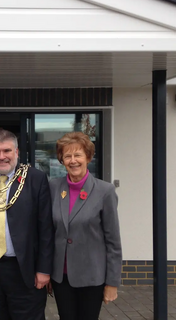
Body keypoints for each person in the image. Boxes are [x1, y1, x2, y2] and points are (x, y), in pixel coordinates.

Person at [0, 129, 54, 320]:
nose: (1, 156)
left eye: (7, 151)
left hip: (24, 270)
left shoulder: (35, 178)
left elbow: (46, 228)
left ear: (16, 152)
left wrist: (43, 269)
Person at [48, 132, 122, 320]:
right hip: (61, 277)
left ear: (88, 157)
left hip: (92, 277)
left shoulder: (105, 191)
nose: (73, 161)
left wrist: (112, 283)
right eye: (67, 156)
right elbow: (49, 233)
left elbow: (113, 241)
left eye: (78, 155)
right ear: (62, 160)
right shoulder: (53, 188)